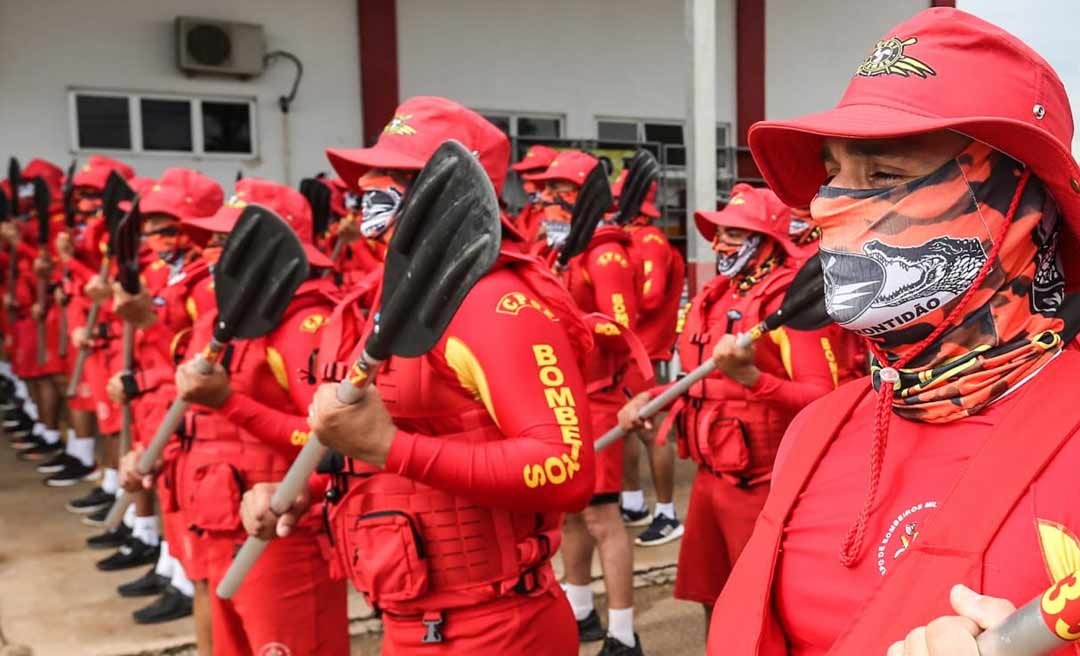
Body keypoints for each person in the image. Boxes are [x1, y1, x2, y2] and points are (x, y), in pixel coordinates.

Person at [706, 8, 1080, 655]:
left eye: (881, 176)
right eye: (832, 174)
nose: (826, 205)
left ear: (1020, 208)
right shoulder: (817, 430)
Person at [240, 96, 597, 655]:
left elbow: (566, 472)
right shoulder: (388, 299)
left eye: (398, 176)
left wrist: (388, 446)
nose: (372, 187)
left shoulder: (494, 305)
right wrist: (300, 490)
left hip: (497, 629)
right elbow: (387, 449)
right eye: (372, 174)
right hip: (409, 622)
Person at [618, 183, 839, 637]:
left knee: (760, 612)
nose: (719, 244)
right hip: (708, 479)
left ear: (765, 243)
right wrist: (655, 398)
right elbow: (701, 381)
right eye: (719, 234)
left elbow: (826, 400)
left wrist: (753, 380)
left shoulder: (788, 303)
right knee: (711, 598)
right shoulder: (715, 295)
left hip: (762, 488)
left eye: (735, 235)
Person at [525, 150, 651, 655]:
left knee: (602, 517)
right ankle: (581, 610)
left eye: (561, 192)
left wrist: (567, 327)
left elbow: (623, 330)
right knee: (570, 514)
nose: (548, 200)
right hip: (563, 399)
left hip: (598, 398)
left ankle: (623, 632)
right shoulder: (561, 249)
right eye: (546, 191)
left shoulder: (604, 253)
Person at [108, 168, 224, 627]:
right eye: (149, 227)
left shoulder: (209, 284)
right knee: (178, 524)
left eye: (167, 227)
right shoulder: (164, 272)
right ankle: (170, 566)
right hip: (158, 410)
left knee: (199, 551)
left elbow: (198, 364)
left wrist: (147, 335)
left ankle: (177, 575)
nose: (155, 238)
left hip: (189, 424)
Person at [611, 171, 688, 547]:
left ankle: (667, 512)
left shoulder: (651, 240)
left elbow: (652, 297)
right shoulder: (627, 239)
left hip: (645, 352)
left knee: (654, 430)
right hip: (624, 352)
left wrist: (612, 297)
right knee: (625, 426)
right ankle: (633, 502)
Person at [511, 144, 559, 241]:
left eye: (533, 173)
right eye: (525, 173)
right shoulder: (531, 208)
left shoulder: (558, 214)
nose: (526, 179)